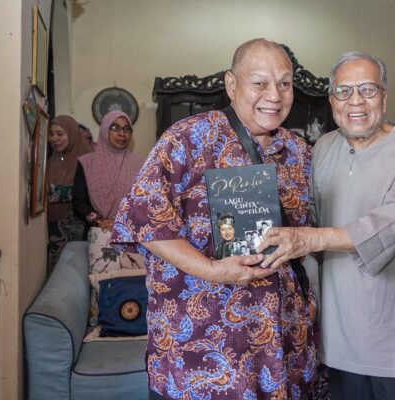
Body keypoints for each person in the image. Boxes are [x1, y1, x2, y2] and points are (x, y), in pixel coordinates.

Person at [110, 39, 316, 399]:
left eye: (284, 83)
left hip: (281, 343)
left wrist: (310, 301)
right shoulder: (188, 139)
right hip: (197, 347)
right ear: (231, 84)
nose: (274, 95)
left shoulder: (299, 153)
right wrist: (211, 269)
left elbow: (312, 236)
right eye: (260, 82)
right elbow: (142, 218)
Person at [258, 51, 395, 400]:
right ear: (331, 100)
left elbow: (391, 223)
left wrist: (308, 239)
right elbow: (308, 215)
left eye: (368, 89)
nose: (355, 101)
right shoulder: (323, 148)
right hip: (339, 325)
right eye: (343, 91)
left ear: (384, 97)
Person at [72, 110, 143, 231]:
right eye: (115, 127)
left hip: (130, 232)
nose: (122, 133)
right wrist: (100, 221)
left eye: (127, 129)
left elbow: (146, 202)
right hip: (97, 231)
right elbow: (78, 203)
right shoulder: (87, 163)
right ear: (105, 130)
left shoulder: (140, 165)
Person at [46, 115, 93, 273]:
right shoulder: (51, 161)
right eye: (51, 134)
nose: (54, 139)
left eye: (60, 134)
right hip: (51, 231)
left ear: (72, 135)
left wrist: (50, 193)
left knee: (75, 273)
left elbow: (86, 195)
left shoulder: (87, 161)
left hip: (78, 228)